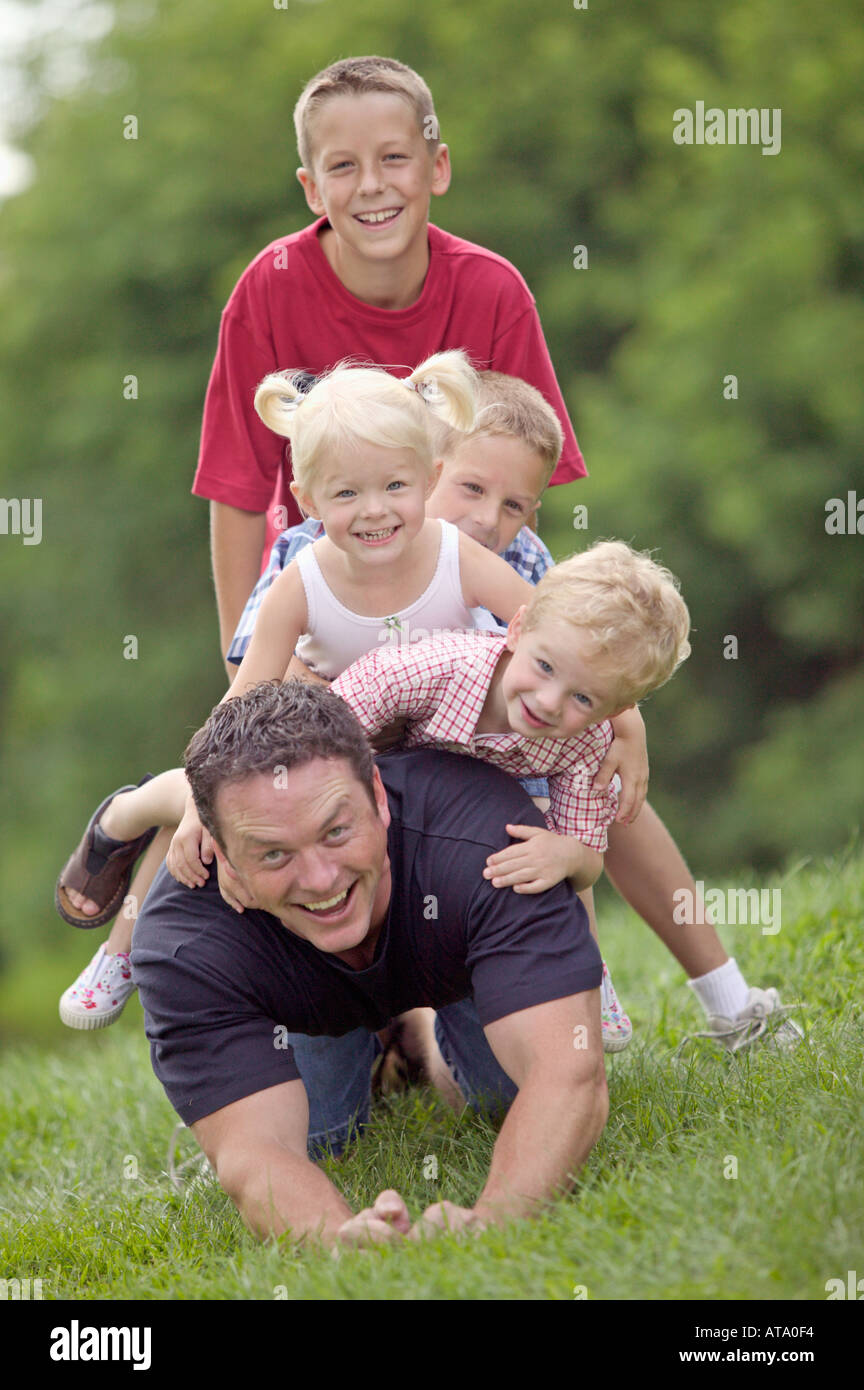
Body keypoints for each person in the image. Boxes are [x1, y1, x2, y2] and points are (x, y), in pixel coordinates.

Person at [55, 356, 643, 1041]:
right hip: (329, 739)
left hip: (416, 745)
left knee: (545, 811)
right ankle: (123, 901)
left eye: (395, 485)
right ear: (306, 500)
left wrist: (626, 725)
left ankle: (584, 974)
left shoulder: (459, 556)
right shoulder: (301, 584)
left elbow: (559, 637)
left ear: (428, 478)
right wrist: (208, 806)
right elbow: (238, 707)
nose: (373, 511)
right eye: (346, 495)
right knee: (195, 809)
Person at [226, 370, 806, 1052]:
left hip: (501, 759)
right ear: (426, 466)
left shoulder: (520, 559)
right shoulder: (320, 548)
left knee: (597, 786)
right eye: (472, 489)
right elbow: (252, 669)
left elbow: (591, 651)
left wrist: (628, 722)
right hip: (366, 755)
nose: (488, 518)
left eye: (515, 505)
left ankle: (716, 997)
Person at [131, 680, 610, 1246]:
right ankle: (381, 1031)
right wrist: (336, 1240)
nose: (321, 879)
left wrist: (493, 1222)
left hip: (446, 956)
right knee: (321, 1141)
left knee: (505, 1097)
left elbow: (569, 1075)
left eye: (336, 831)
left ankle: (419, 1030)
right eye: (274, 853)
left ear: (379, 797)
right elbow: (255, 1151)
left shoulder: (491, 842)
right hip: (304, 1009)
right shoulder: (184, 944)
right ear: (220, 852)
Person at [191, 55, 587, 669]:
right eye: (343, 166)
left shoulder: (493, 292)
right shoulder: (269, 289)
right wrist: (246, 661)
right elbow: (237, 492)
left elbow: (521, 487)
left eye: (394, 157)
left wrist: (545, 671)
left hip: (461, 625)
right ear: (313, 189)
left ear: (438, 167)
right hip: (321, 623)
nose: (372, 184)